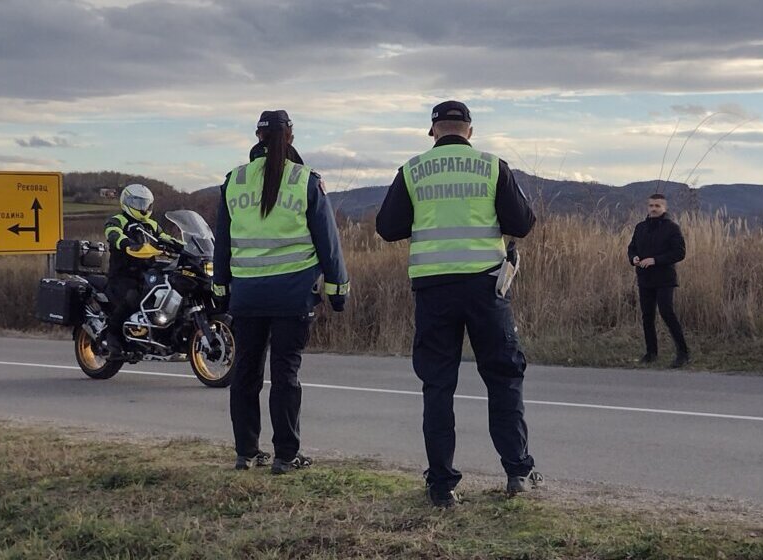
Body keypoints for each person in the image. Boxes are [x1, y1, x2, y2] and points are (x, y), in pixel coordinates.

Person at [376, 100, 540, 507]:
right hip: (486, 288)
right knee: (503, 378)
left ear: (433, 131)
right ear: (470, 130)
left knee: (438, 385)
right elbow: (521, 223)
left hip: (434, 292)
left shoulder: (412, 170)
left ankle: (441, 485)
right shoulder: (491, 166)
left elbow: (387, 228)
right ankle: (517, 472)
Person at [213, 110, 349, 475]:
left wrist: (221, 288)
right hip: (292, 294)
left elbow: (222, 243)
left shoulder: (233, 181)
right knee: (285, 373)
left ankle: (246, 452)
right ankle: (285, 456)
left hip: (247, 296)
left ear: (257, 136)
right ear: (290, 137)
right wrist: (338, 290)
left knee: (245, 372)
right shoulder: (305, 180)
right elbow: (328, 243)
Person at [103, 184, 182, 358]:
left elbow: (165, 238)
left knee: (169, 289)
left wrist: (185, 246)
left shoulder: (151, 224)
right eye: (137, 203)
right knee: (131, 297)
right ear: (126, 202)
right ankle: (112, 335)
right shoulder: (118, 220)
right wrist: (125, 243)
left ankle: (157, 333)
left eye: (145, 203)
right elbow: (112, 232)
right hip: (123, 273)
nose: (142, 207)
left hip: (147, 272)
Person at [627, 193, 689, 368]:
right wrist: (634, 258)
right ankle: (651, 353)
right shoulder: (640, 227)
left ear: (664, 208)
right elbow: (631, 248)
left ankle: (683, 353)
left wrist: (655, 260)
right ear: (647, 207)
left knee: (667, 313)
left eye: (657, 206)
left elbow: (679, 253)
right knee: (647, 316)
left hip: (664, 279)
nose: (654, 209)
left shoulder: (672, 228)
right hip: (644, 278)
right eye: (651, 206)